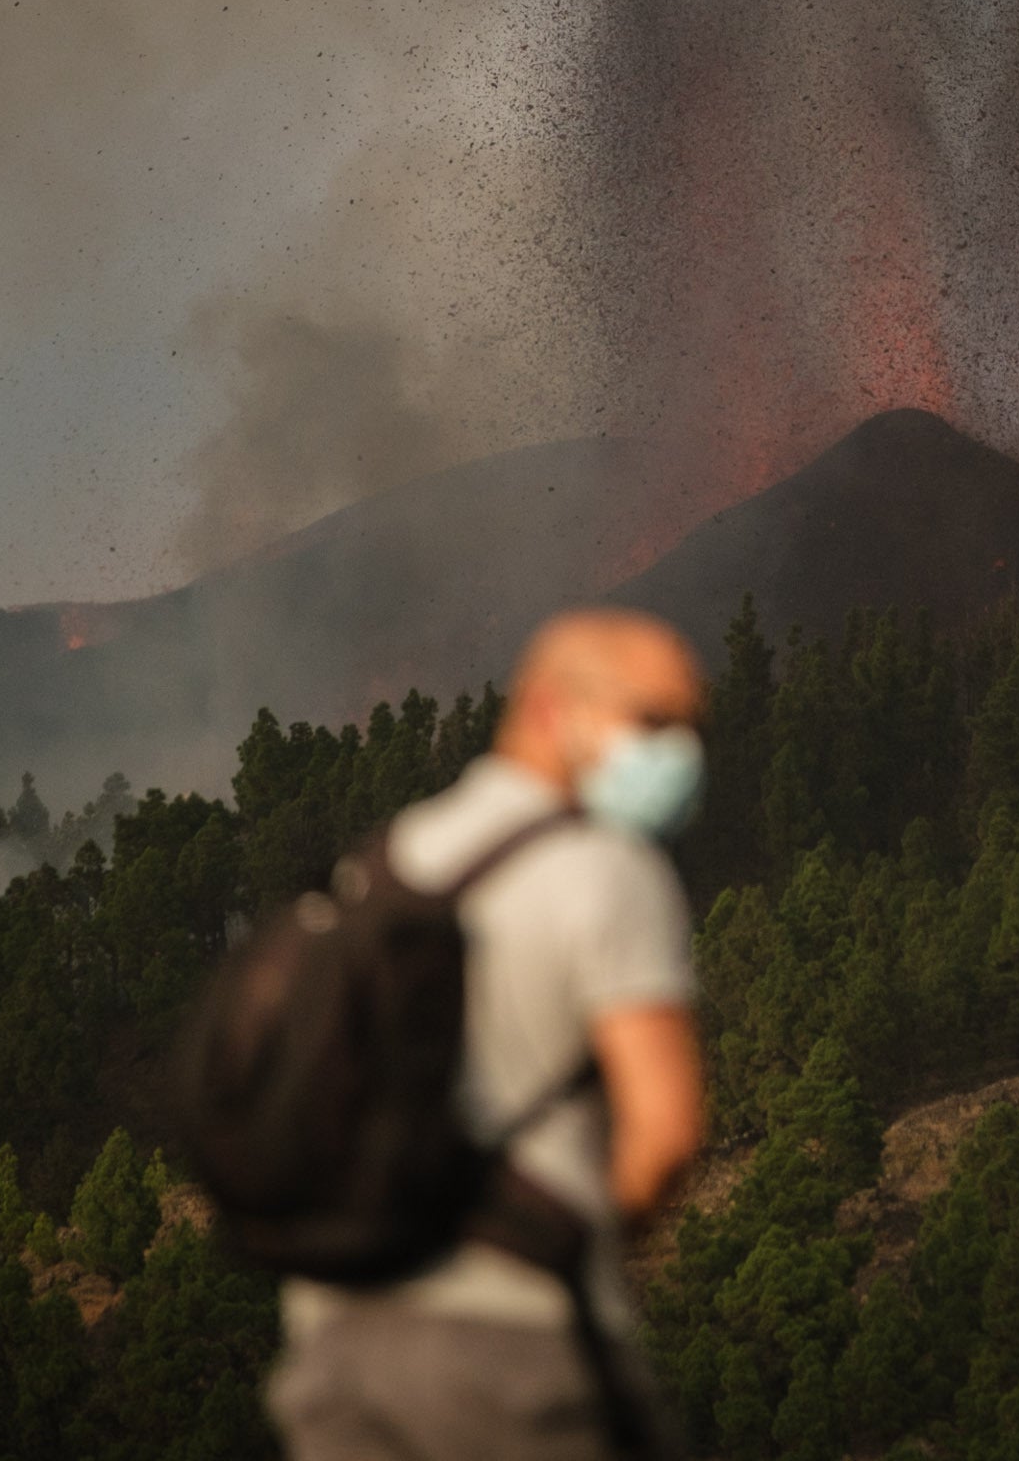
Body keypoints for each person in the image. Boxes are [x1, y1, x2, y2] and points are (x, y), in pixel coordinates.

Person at [265, 608, 710, 1461]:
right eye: (654, 722)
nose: (681, 752)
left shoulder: (382, 864)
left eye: (691, 727)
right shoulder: (609, 869)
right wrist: (569, 1250)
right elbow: (666, 1132)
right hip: (507, 1349)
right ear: (552, 710)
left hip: (336, 1342)